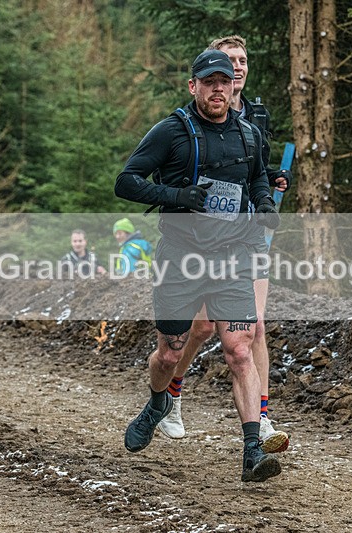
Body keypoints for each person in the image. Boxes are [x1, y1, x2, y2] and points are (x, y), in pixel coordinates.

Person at [114, 49, 282, 482]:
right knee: (169, 353)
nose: (218, 89)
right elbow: (126, 182)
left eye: (224, 82)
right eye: (209, 82)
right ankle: (157, 404)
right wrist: (176, 197)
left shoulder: (247, 134)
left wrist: (263, 203)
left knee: (240, 349)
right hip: (182, 258)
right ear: (194, 86)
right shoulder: (172, 132)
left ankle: (251, 451)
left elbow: (258, 175)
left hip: (233, 256)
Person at [157, 35, 292, 454]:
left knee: (254, 329)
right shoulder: (190, 122)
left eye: (243, 60)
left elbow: (254, 170)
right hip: (200, 241)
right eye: (229, 60)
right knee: (198, 328)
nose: (237, 67)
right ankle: (171, 396)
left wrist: (272, 182)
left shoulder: (257, 117)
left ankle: (261, 419)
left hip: (248, 236)